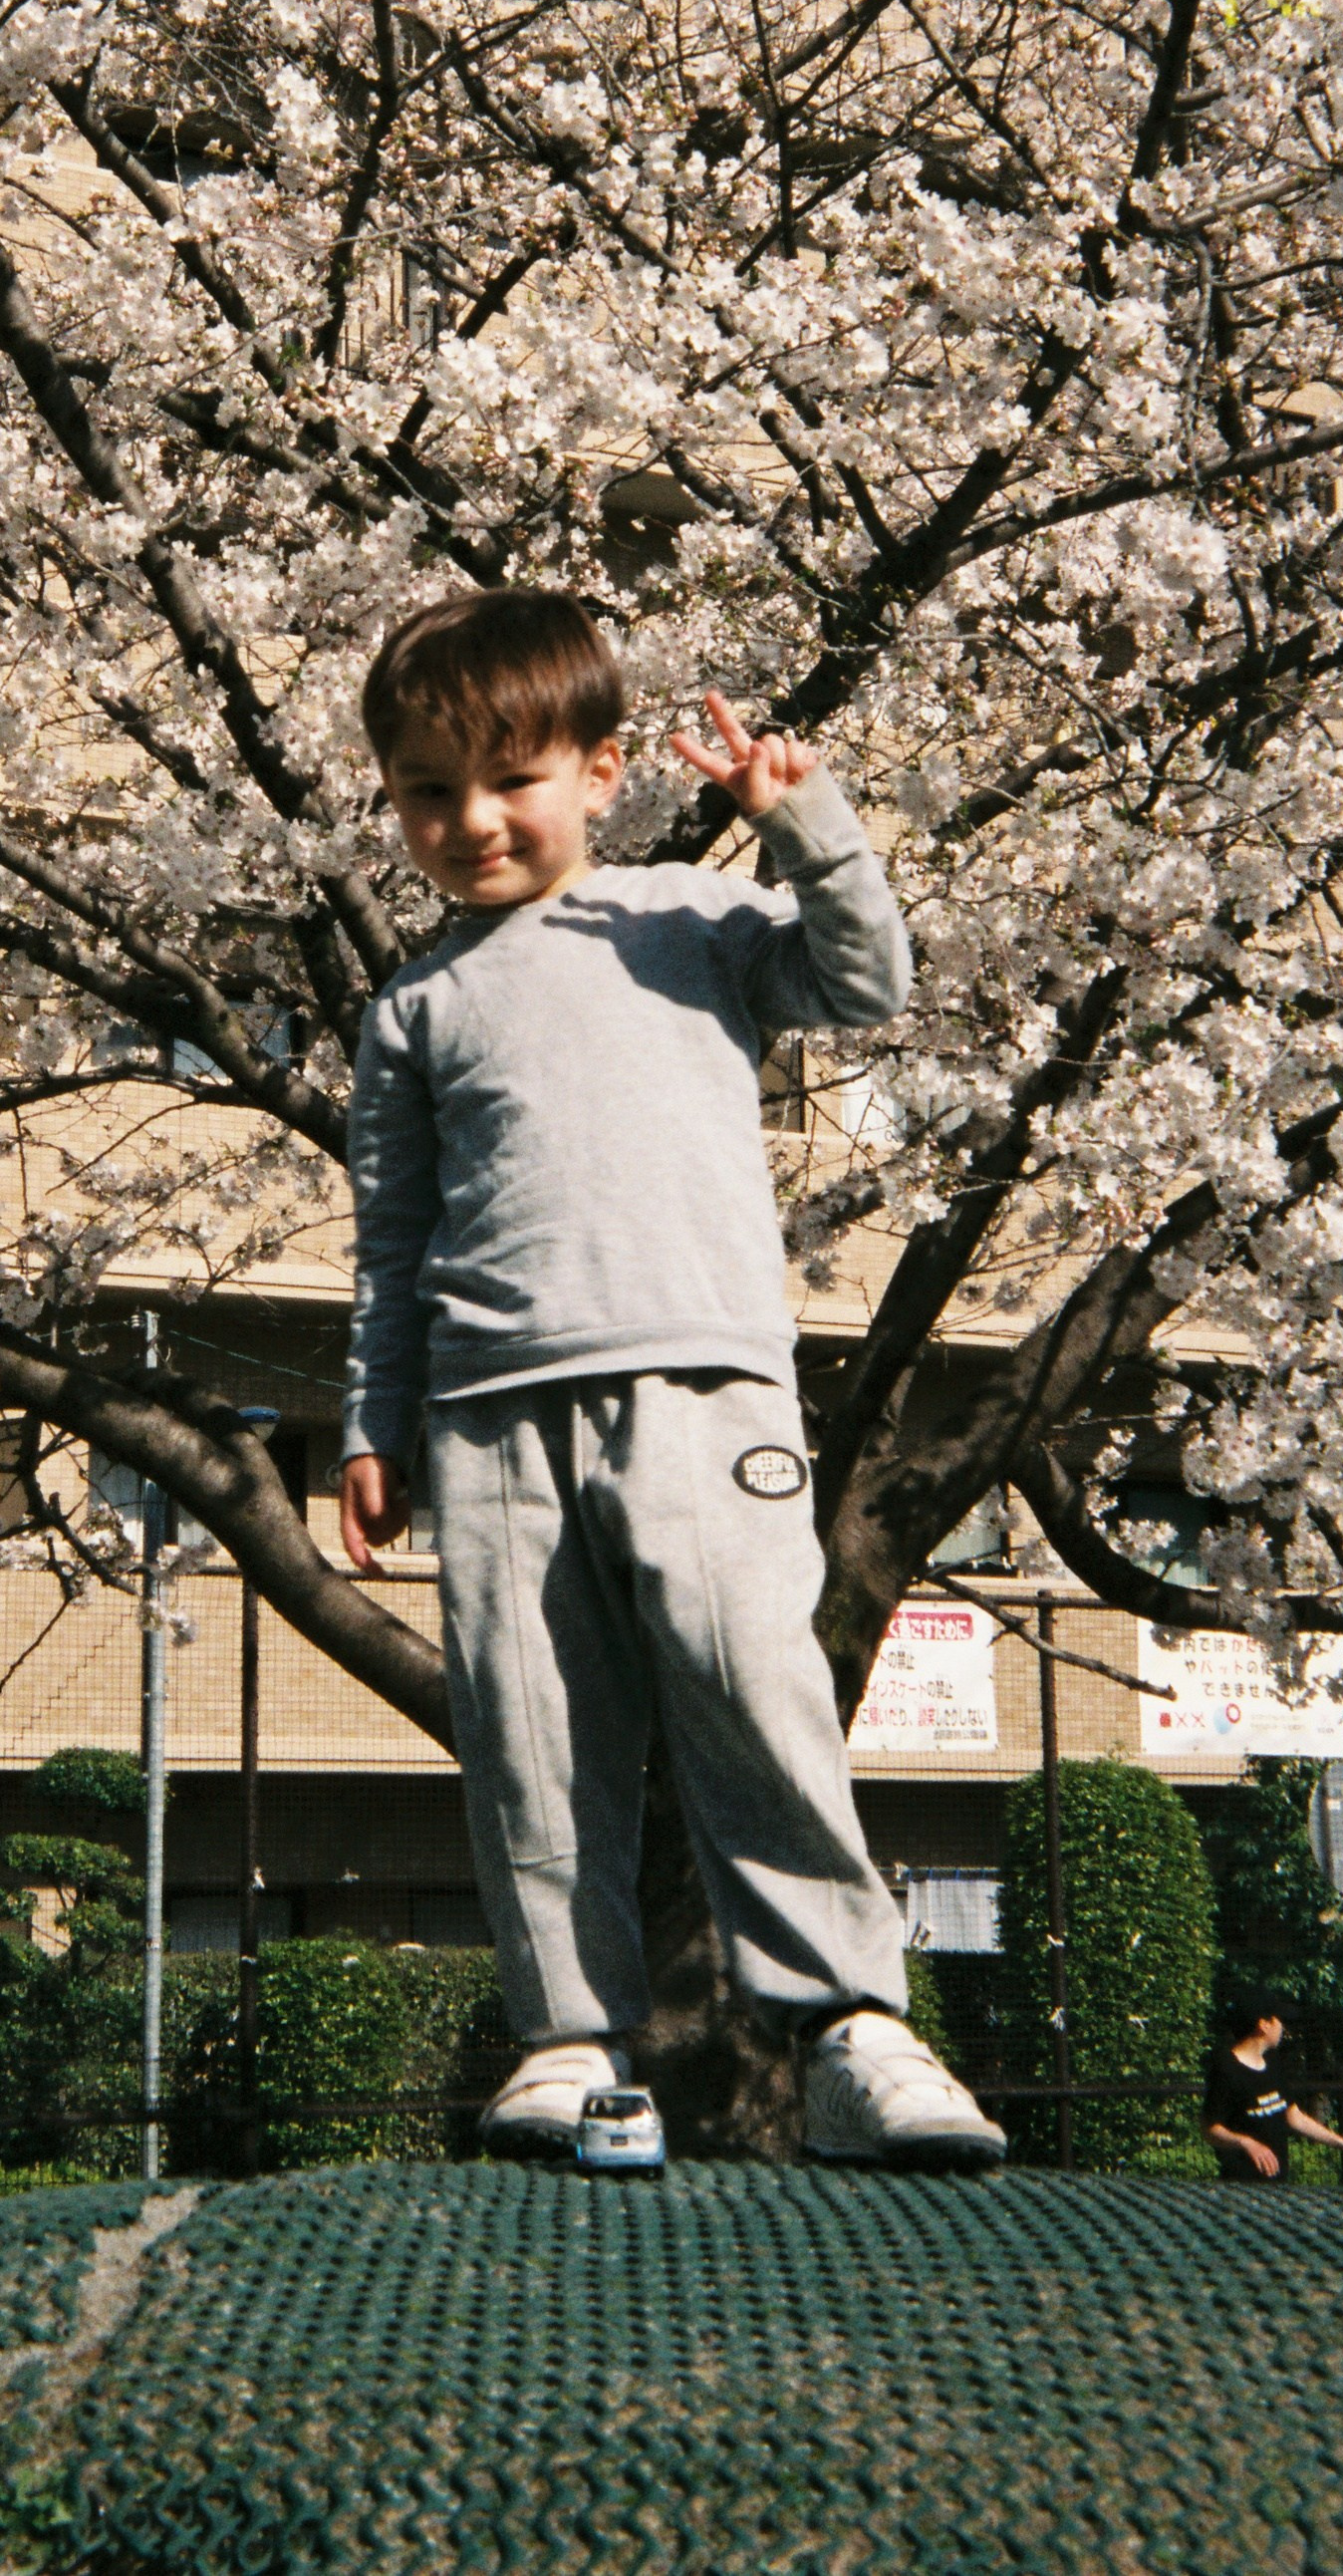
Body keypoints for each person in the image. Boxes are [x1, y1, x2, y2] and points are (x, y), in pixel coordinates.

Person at [337, 587, 1004, 2171]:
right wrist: (374, 1416)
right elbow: (390, 1238)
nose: (470, 819)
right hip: (492, 1412)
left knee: (751, 1688)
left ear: (601, 770)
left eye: (509, 780)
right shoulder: (414, 1008)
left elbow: (866, 982)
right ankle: (572, 2044)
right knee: (531, 1728)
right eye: (428, 789)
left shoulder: (682, 921)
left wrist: (806, 828)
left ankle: (849, 2025)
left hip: (702, 1387)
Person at [1202, 1994, 1343, 2181]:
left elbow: (1294, 2117)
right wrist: (1246, 2142)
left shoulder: (1273, 2062)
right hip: (1241, 2189)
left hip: (1278, 2186)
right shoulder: (1226, 2068)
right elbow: (1210, 2129)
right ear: (1263, 2024)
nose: (1282, 2027)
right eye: (1278, 2020)